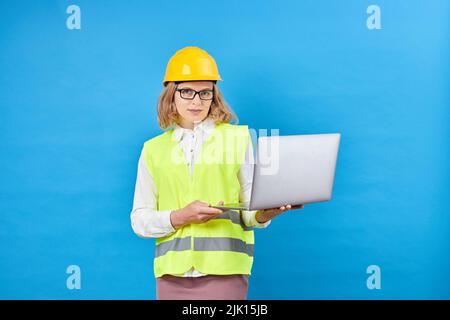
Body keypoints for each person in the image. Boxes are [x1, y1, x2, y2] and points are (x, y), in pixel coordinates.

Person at [130, 46, 304, 300]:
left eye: (205, 92)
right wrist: (179, 216)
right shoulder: (152, 150)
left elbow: (249, 212)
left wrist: (266, 213)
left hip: (226, 271)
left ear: (214, 95)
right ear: (171, 94)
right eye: (187, 91)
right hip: (171, 276)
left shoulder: (238, 139)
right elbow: (139, 220)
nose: (196, 101)